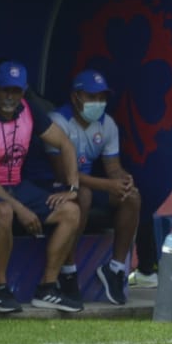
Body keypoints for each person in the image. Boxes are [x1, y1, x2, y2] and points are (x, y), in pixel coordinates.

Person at [0, 61, 84, 314]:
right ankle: (0, 290)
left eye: (16, 91)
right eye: (5, 90)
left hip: (14, 186)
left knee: (71, 211)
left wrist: (72, 187)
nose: (10, 96)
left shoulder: (29, 110)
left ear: (24, 91)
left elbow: (65, 143)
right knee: (4, 212)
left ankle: (47, 287)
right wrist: (20, 209)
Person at [27, 69, 140, 306]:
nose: (98, 103)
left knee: (132, 197)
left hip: (84, 183)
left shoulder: (107, 123)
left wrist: (123, 180)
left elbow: (113, 168)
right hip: (50, 184)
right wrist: (109, 184)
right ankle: (68, 271)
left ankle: (116, 269)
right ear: (76, 97)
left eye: (102, 97)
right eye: (92, 97)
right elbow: (64, 174)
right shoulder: (58, 120)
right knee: (83, 196)